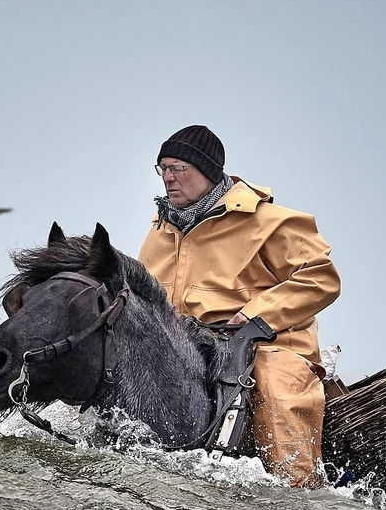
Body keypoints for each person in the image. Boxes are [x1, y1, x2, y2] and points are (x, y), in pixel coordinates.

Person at [137, 124, 341, 488]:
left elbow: (321, 279)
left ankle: (297, 494)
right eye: (163, 169)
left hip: (267, 343)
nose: (168, 178)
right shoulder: (160, 229)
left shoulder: (271, 223)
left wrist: (256, 315)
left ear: (209, 171)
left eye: (178, 168)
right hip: (187, 343)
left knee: (277, 393)